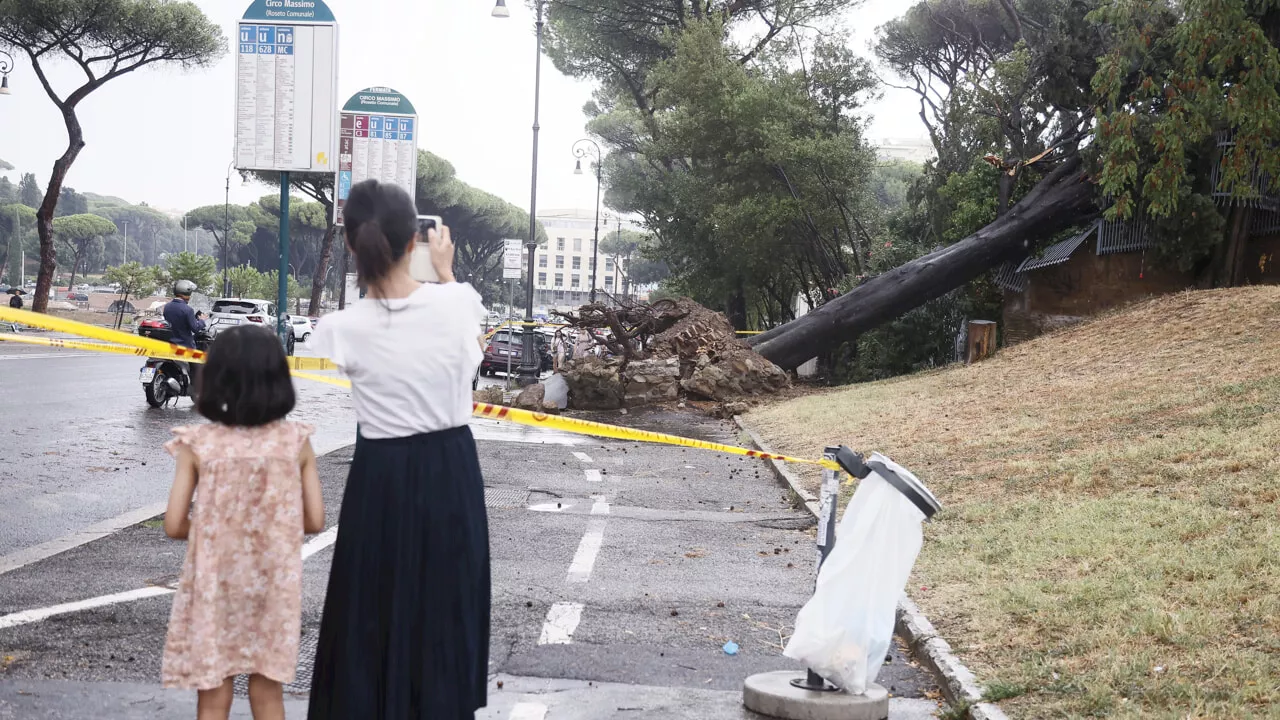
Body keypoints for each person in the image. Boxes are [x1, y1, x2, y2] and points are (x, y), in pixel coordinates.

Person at [307, 179, 489, 719]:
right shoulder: (459, 303)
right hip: (450, 469)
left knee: (371, 606)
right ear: (416, 240)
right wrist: (448, 270)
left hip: (380, 475)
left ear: (351, 244)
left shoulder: (340, 328)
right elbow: (472, 351)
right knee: (445, 605)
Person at [160, 324, 325, 720]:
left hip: (214, 584)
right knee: (268, 694)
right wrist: (272, 530)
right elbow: (316, 520)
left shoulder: (198, 444)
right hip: (274, 585)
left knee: (214, 697)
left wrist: (215, 532)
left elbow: (172, 523)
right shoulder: (295, 441)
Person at [163, 280, 204, 349]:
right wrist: (202, 320)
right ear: (186, 293)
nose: (190, 297)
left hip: (171, 344)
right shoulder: (188, 309)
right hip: (185, 346)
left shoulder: (167, 306)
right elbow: (195, 328)